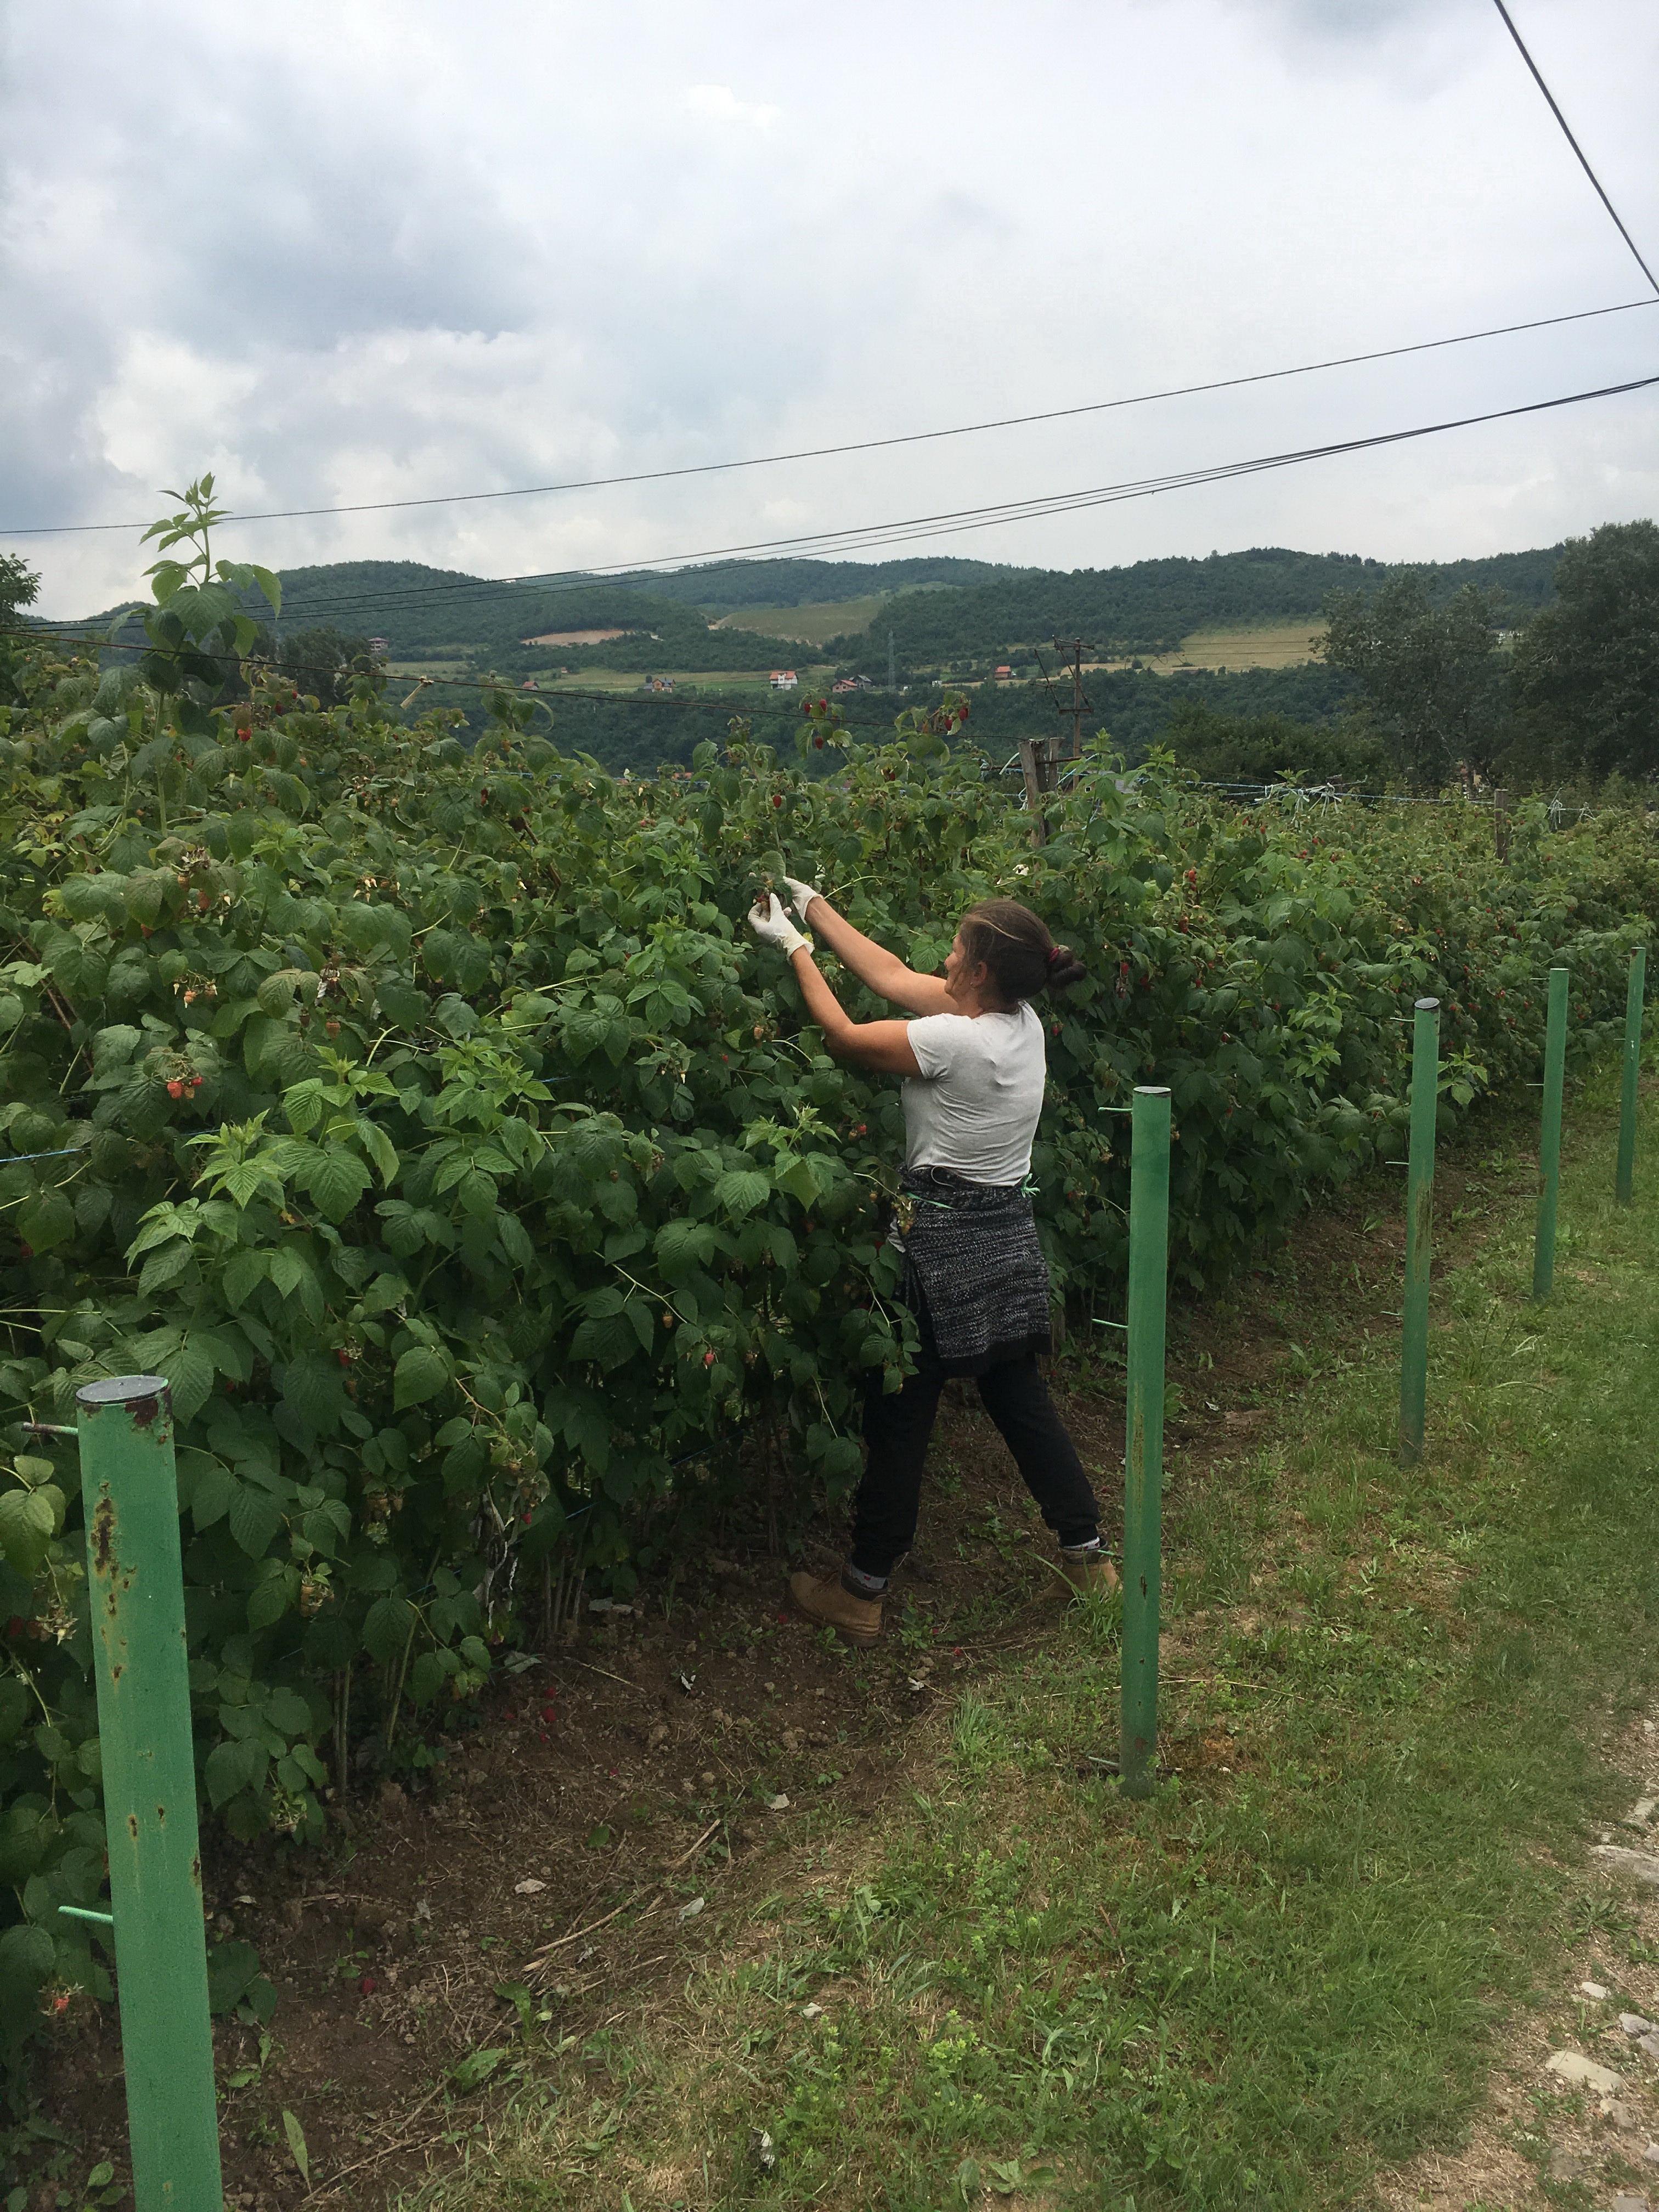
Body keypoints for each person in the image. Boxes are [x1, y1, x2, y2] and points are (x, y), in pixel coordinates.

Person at [747, 873, 1116, 1647]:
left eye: (957, 948)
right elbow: (886, 974)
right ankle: (1088, 1559)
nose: (944, 956)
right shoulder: (1020, 1025)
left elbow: (846, 1038)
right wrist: (813, 906)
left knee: (901, 1415)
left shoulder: (954, 1043)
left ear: (979, 972)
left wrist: (795, 951)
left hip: (936, 1246)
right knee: (1019, 1398)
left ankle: (862, 1594)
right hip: (1006, 1236)